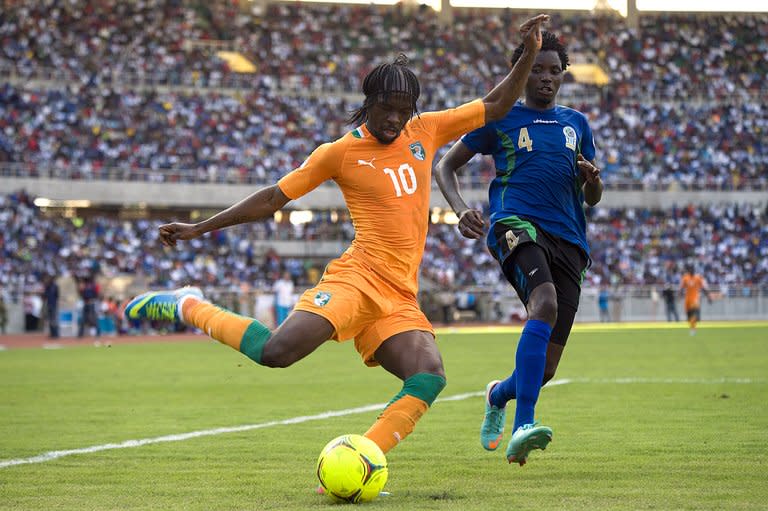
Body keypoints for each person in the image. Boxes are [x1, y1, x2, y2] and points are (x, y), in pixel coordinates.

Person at [124, 14, 550, 462]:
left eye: (404, 111)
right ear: (369, 102)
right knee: (276, 353)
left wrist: (528, 52)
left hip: (399, 294)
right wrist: (198, 228)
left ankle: (365, 458)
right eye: (387, 109)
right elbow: (272, 199)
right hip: (357, 279)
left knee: (428, 375)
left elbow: (498, 103)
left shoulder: (425, 129)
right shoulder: (339, 153)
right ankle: (187, 304)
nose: (395, 119)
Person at [435, 30, 602, 465]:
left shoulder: (576, 124)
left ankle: (498, 394)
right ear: (521, 73)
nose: (546, 78)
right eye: (537, 69)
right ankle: (523, 426)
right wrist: (459, 208)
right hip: (516, 223)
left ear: (563, 76)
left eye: (554, 70)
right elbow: (446, 165)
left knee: (543, 371)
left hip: (569, 241)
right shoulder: (500, 118)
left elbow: (592, 198)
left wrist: (594, 181)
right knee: (542, 304)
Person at [680, 264, 711, 335]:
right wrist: (679, 295)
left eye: (692, 270)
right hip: (687, 299)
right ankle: (692, 327)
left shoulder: (698, 278)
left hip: (695, 299)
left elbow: (703, 288)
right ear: (688, 271)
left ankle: (693, 329)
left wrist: (708, 296)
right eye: (690, 270)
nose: (691, 271)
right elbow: (681, 287)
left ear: (694, 270)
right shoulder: (685, 278)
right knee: (689, 317)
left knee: (694, 313)